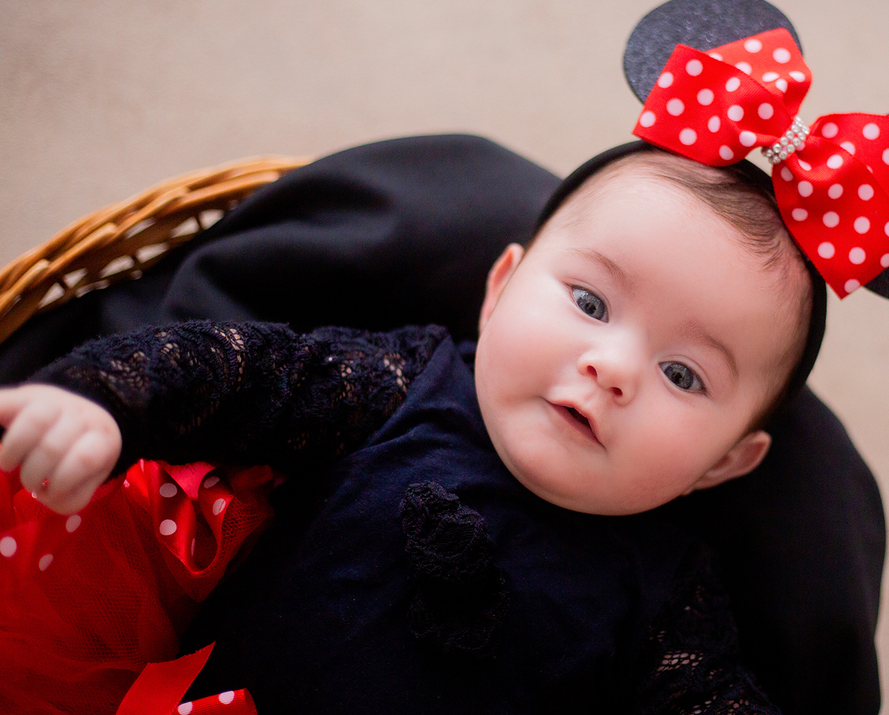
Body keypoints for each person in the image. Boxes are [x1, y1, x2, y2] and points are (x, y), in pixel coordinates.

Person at [0, 146, 817, 714]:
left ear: (724, 462)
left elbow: (709, 700)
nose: (615, 368)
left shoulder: (671, 590)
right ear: (499, 290)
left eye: (683, 375)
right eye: (591, 304)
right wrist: (103, 398)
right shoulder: (400, 386)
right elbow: (243, 371)